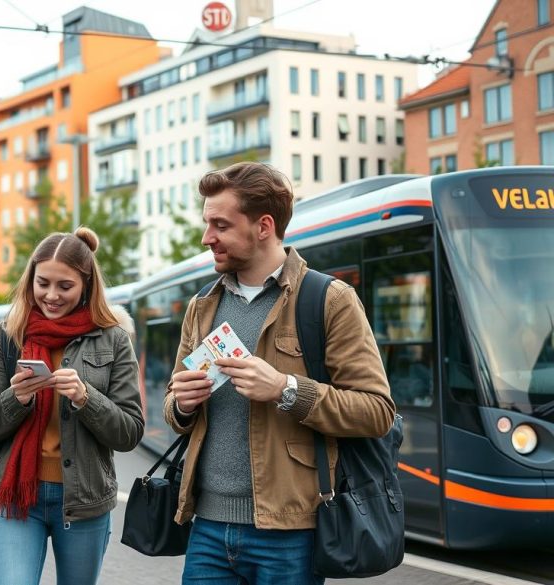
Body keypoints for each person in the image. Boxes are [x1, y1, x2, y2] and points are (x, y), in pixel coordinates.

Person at [165, 162, 395, 585]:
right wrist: (181, 403)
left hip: (291, 532)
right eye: (206, 222)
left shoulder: (329, 299)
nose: (206, 237)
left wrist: (285, 389)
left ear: (264, 226)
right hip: (208, 529)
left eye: (220, 224)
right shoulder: (201, 306)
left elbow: (377, 411)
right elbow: (173, 411)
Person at [0, 227, 144, 585]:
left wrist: (86, 398)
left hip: (84, 500)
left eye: (64, 286)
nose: (51, 295)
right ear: (30, 280)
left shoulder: (112, 338)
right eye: (42, 283)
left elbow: (130, 432)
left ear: (86, 285)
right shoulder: (7, 335)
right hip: (18, 497)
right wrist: (15, 399)